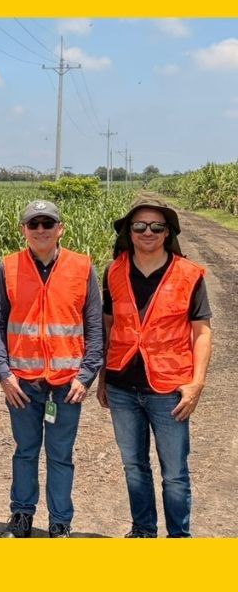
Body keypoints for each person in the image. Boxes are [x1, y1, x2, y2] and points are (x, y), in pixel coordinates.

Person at [97, 197, 212, 538]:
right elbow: (109, 327)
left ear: (167, 233)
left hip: (170, 389)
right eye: (140, 226)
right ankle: (143, 531)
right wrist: (104, 379)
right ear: (129, 232)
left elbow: (202, 333)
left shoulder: (189, 275)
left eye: (156, 227)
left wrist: (197, 383)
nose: (148, 232)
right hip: (122, 387)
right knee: (134, 466)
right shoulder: (114, 271)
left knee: (174, 472)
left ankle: (178, 538)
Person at [0, 200, 104, 538]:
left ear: (60, 229)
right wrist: (4, 375)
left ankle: (59, 522)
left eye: (47, 224)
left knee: (60, 456)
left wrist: (86, 377)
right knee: (24, 452)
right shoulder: (8, 267)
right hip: (22, 385)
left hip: (67, 386)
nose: (41, 230)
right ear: (23, 230)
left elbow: (95, 329)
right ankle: (21, 516)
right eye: (34, 224)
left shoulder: (82, 268)